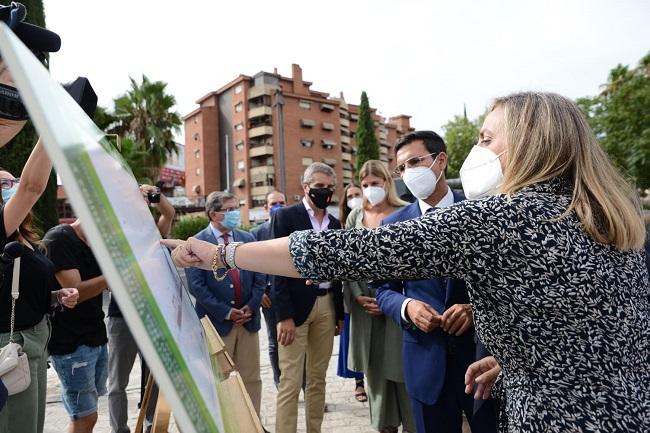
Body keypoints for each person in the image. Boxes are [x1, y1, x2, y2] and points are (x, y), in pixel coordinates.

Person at [164, 92, 650, 433]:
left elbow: (351, 252)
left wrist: (222, 253)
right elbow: (595, 328)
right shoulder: (614, 215)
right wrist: (521, 362)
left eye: (485, 137)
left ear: (529, 143)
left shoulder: (502, 218)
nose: (474, 150)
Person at [376, 131, 497, 433]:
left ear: (440, 160)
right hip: (425, 360)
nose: (408, 173)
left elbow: (505, 282)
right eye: (402, 168)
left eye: (415, 162)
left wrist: (475, 308)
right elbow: (383, 290)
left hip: (481, 360)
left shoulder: (482, 212)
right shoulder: (393, 225)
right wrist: (407, 307)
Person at [270, 162, 344, 433]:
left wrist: (339, 313)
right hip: (295, 310)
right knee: (290, 382)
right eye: (319, 187)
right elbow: (275, 269)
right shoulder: (286, 217)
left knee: (317, 379)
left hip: (326, 305)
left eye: (329, 187)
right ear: (305, 187)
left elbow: (339, 273)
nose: (325, 192)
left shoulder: (334, 223)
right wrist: (284, 316)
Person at [346, 160, 414, 433]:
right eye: (365, 185)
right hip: (366, 309)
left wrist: (393, 300)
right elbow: (347, 260)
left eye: (375, 184)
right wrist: (358, 295)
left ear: (387, 182)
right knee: (375, 380)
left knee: (403, 374)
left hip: (398, 309)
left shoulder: (406, 212)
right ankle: (384, 425)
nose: (370, 189)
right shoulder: (355, 218)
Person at [185, 191, 265, 419]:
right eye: (230, 209)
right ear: (213, 214)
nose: (235, 213)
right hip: (217, 324)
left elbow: (260, 277)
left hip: (248, 322)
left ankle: (252, 423)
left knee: (251, 378)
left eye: (236, 207)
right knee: (220, 380)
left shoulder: (247, 238)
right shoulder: (197, 243)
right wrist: (227, 312)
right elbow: (197, 287)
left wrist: (251, 305)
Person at [106, 185, 175, 433]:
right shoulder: (112, 234)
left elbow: (169, 214)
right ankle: (119, 428)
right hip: (122, 316)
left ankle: (150, 426)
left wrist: (156, 195)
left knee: (156, 378)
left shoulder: (152, 234)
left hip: (153, 315)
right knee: (117, 382)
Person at [43, 219, 111, 433]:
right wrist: (115, 276)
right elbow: (75, 291)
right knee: (84, 417)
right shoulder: (60, 239)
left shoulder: (98, 241)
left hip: (96, 335)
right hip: (72, 343)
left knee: (90, 415)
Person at [250, 190, 286, 388]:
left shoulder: (293, 228)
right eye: (273, 204)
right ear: (266, 208)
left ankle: (304, 385)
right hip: (269, 297)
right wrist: (260, 292)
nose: (277, 207)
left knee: (299, 342)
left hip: (291, 295)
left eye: (281, 202)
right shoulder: (256, 234)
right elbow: (251, 266)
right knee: (274, 341)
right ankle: (279, 380)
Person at [336, 183, 367, 403]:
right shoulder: (340, 224)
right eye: (351, 196)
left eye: (358, 194)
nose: (355, 198)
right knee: (354, 338)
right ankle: (359, 382)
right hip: (351, 293)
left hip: (374, 289)